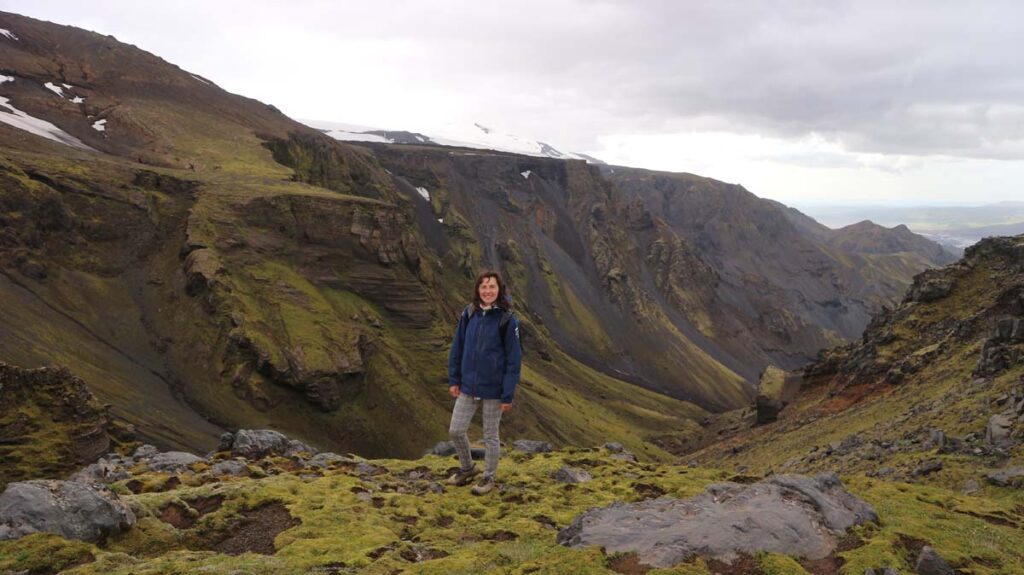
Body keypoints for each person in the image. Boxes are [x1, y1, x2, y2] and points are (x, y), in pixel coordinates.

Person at [445, 270, 522, 495]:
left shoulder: (508, 319)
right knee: (456, 430)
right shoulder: (469, 313)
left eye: (492, 287)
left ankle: (488, 477)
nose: (488, 291)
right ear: (478, 290)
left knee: (490, 436)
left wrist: (507, 394)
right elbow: (457, 347)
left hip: (494, 389)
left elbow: (514, 359)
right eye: (484, 287)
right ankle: (468, 468)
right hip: (468, 385)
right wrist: (454, 379)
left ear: (499, 290)